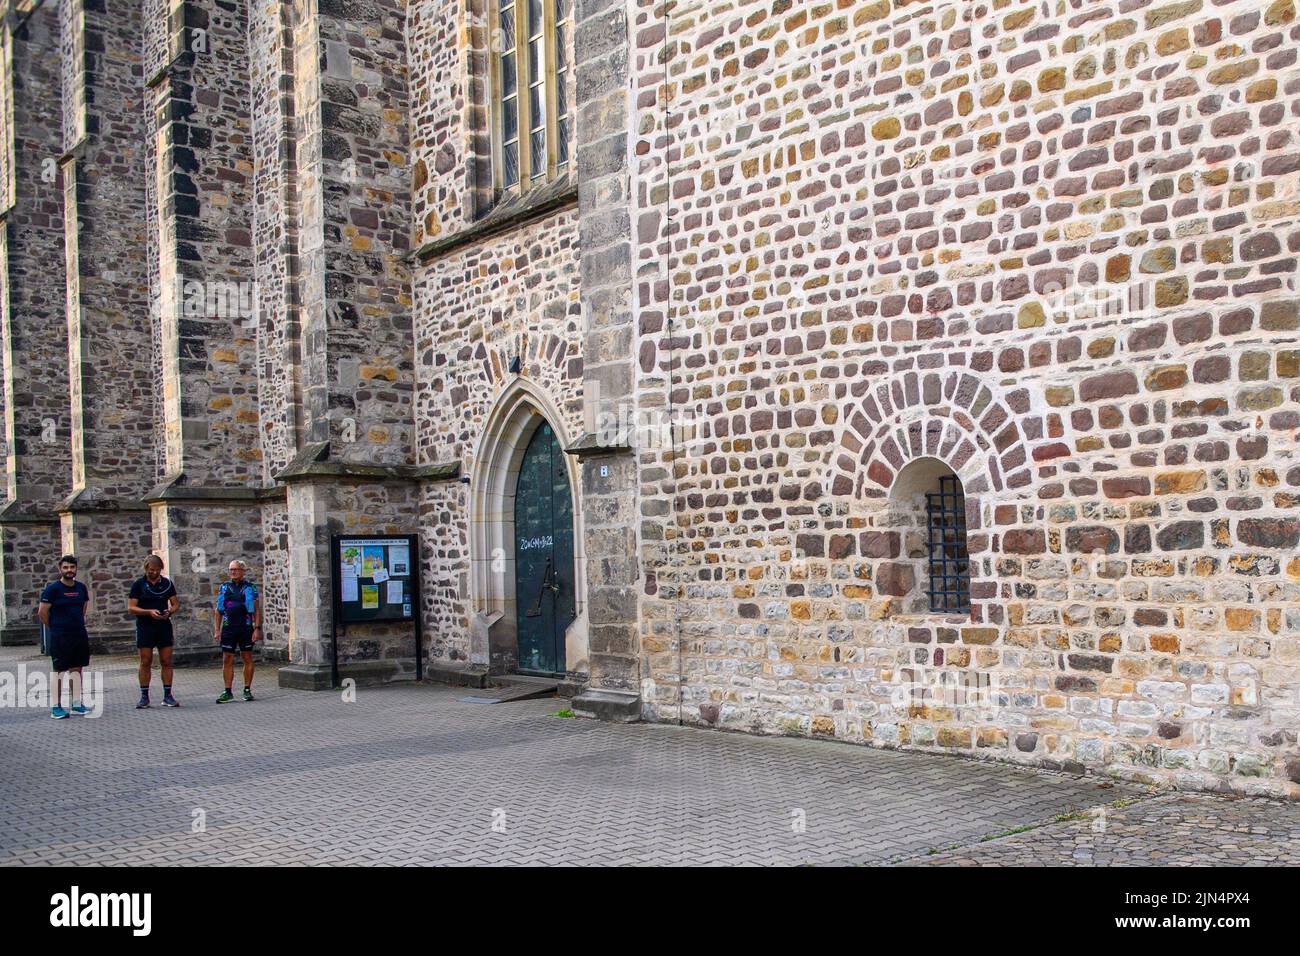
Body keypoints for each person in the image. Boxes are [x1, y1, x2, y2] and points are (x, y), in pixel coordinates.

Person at [37, 555, 91, 719]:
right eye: (66, 567)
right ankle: (56, 707)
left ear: (76, 569)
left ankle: (76, 704)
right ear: (60, 569)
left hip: (79, 634)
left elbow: (83, 608)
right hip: (60, 636)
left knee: (77, 669)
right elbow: (42, 612)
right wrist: (55, 627)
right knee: (59, 671)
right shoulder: (53, 589)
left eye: (72, 567)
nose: (69, 570)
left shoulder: (81, 588)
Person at [128, 555, 180, 708]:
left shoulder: (167, 584)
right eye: (151, 570)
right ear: (146, 569)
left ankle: (168, 695)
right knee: (145, 661)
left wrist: (170, 611)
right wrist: (148, 612)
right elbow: (131, 608)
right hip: (145, 626)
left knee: (166, 660)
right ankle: (144, 696)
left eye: (157, 570)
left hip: (163, 626)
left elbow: (176, 603)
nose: (154, 573)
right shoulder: (138, 585)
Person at [213, 560, 261, 703]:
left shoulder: (251, 587)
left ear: (243, 571)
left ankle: (247, 689)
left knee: (247, 657)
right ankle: (227, 691)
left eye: (236, 569)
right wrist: (217, 629)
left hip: (245, 627)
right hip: (229, 627)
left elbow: (257, 610)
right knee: (227, 658)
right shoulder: (224, 587)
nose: (233, 572)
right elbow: (219, 610)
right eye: (231, 569)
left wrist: (257, 629)